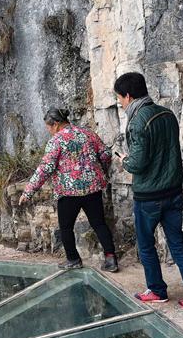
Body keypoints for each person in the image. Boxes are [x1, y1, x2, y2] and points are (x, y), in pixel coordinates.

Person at [114, 71, 183, 310]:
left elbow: (138, 163)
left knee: (146, 245)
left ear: (128, 95)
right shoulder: (167, 114)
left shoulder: (136, 122)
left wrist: (123, 159)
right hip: (173, 191)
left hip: (149, 196)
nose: (121, 104)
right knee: (178, 243)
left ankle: (156, 290)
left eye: (120, 99)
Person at [18, 108, 119, 271]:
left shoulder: (56, 141)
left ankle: (73, 260)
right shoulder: (87, 133)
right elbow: (106, 154)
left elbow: (46, 168)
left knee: (66, 227)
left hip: (68, 192)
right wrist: (98, 168)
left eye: (49, 127)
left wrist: (28, 192)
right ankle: (111, 259)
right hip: (93, 188)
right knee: (99, 223)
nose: (49, 131)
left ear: (56, 124)